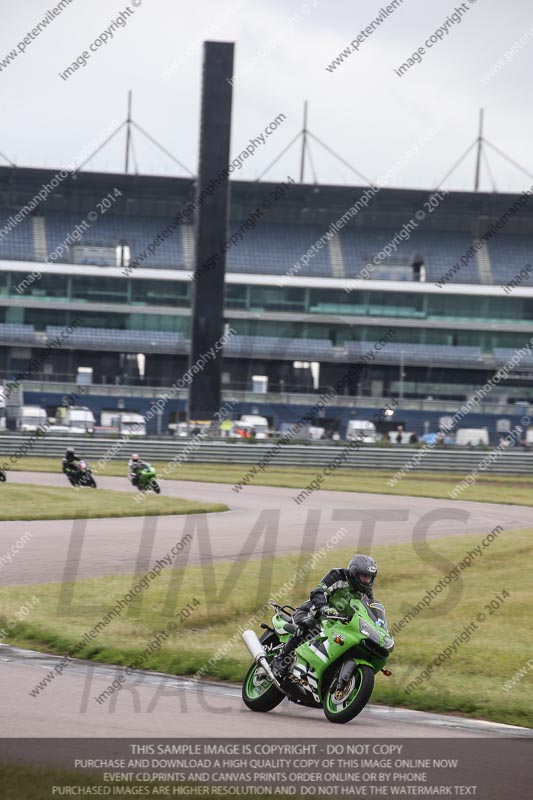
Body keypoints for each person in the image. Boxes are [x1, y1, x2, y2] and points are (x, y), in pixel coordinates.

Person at [271, 554, 379, 681]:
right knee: (309, 625)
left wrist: (377, 626)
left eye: (370, 577)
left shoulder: (366, 593)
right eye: (364, 576)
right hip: (312, 612)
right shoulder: (337, 576)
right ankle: (281, 660)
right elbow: (318, 592)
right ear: (354, 572)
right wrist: (324, 608)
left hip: (336, 623)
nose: (367, 581)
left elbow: (370, 612)